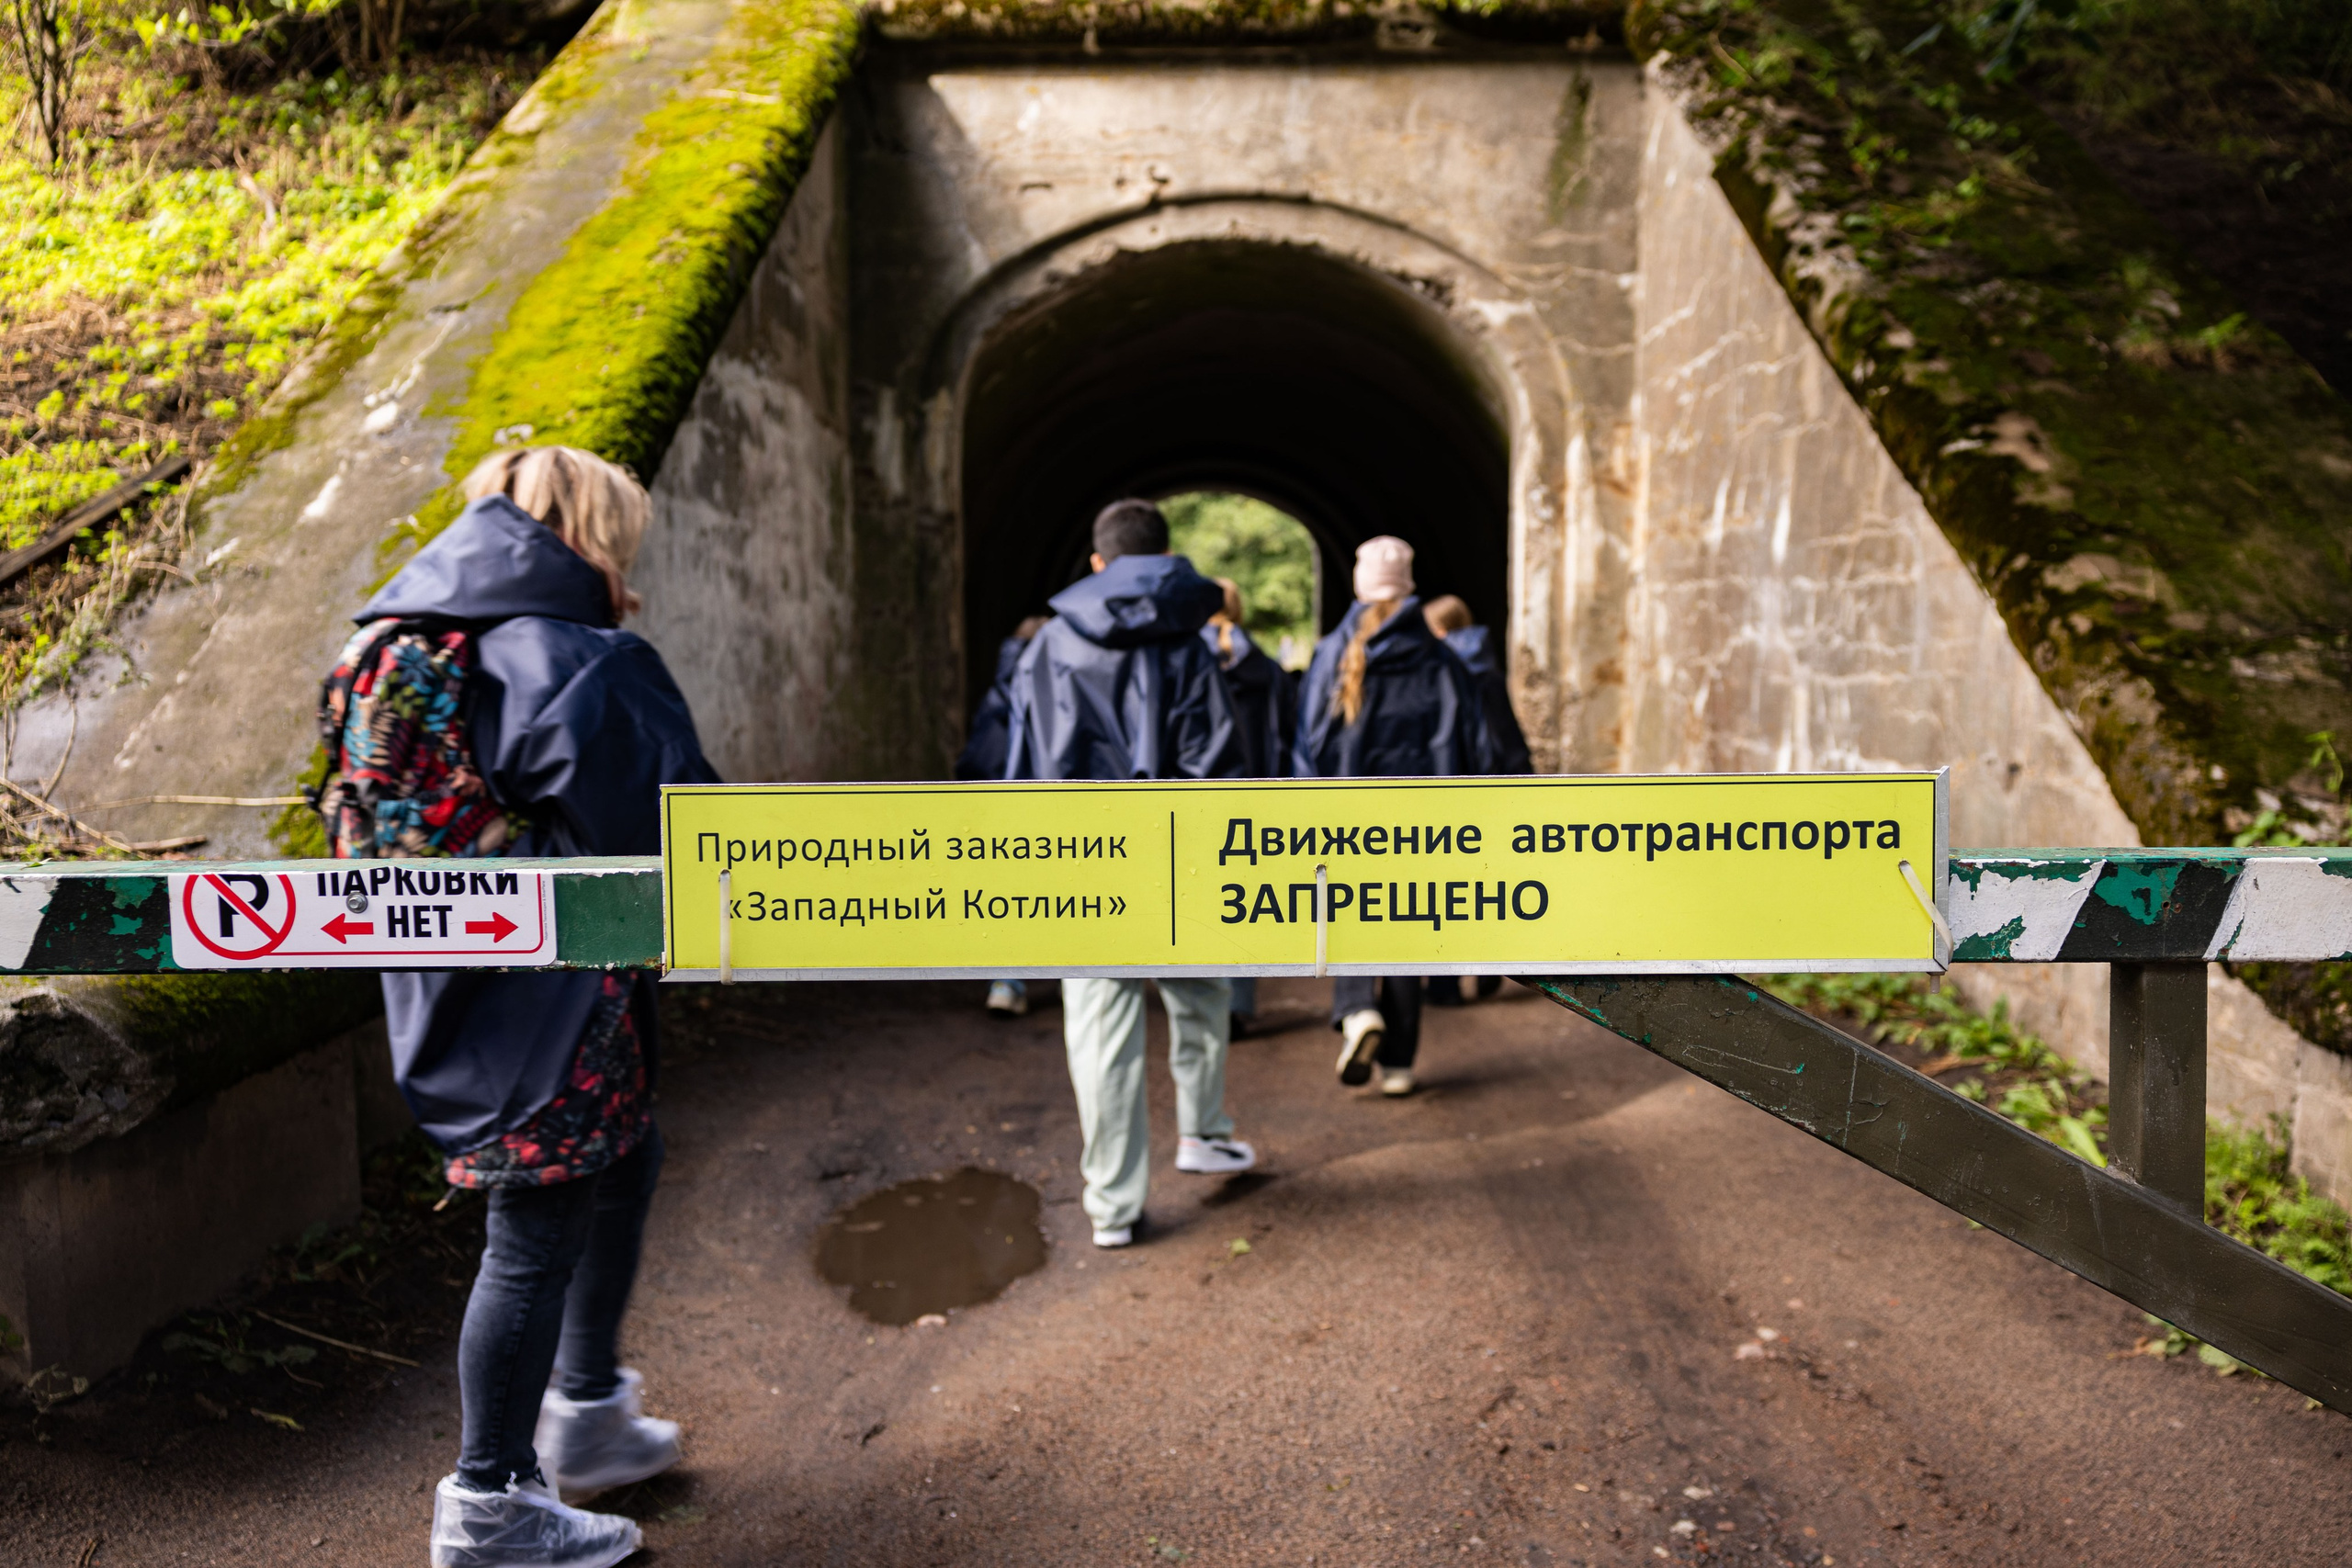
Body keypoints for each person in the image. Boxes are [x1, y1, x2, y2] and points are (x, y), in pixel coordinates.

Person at [345, 447, 718, 1568]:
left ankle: (591, 1407)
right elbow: (676, 825)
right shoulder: (574, 654)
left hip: (442, 979)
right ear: (589, 530)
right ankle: (493, 1499)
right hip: (555, 1000)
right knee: (537, 1225)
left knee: (625, 1159)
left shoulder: (394, 643)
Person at [1006, 498, 1257, 1247]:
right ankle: (1203, 1129)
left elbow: (1027, 762)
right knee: (1204, 988)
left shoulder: (1050, 642)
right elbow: (1215, 758)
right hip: (1173, 855)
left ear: (1096, 563)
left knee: (1100, 1029)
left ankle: (1113, 1206)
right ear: (1163, 557)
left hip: (1082, 860)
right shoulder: (1187, 640)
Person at [1294, 536, 1488, 1098]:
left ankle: (1357, 1011)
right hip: (1424, 821)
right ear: (1408, 584)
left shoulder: (1334, 652)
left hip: (1344, 815)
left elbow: (1308, 741)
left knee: (1348, 917)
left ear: (1358, 584)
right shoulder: (1442, 658)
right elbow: (1466, 743)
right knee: (1405, 930)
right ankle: (1399, 1065)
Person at [1421, 594, 1531, 1006]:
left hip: (1456, 779)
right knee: (1490, 879)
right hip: (1499, 778)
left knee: (1442, 884)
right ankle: (1489, 964)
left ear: (1439, 629)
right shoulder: (1485, 660)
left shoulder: (1441, 666)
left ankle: (1444, 983)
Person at [1202, 576, 1297, 1034]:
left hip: (1198, 795)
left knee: (1198, 896)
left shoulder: (1185, 663)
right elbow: (1285, 734)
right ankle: (1238, 1003)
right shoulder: (1267, 668)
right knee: (1245, 900)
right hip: (1256, 793)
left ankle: (1204, 997)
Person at [957, 615, 1050, 1017]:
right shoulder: (1058, 692)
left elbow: (978, 755)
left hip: (998, 803)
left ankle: (1006, 982)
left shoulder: (997, 696)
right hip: (1048, 805)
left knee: (1008, 896)